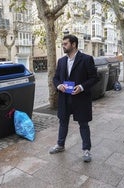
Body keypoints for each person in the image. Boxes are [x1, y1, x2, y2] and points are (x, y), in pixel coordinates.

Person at [49, 34, 98, 162]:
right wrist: (59, 85)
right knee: (63, 122)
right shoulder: (61, 61)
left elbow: (94, 78)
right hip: (64, 98)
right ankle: (60, 145)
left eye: (65, 44)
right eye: (63, 44)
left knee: (83, 124)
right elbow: (55, 78)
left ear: (74, 44)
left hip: (81, 98)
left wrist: (81, 87)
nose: (63, 46)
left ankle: (86, 150)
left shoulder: (86, 59)